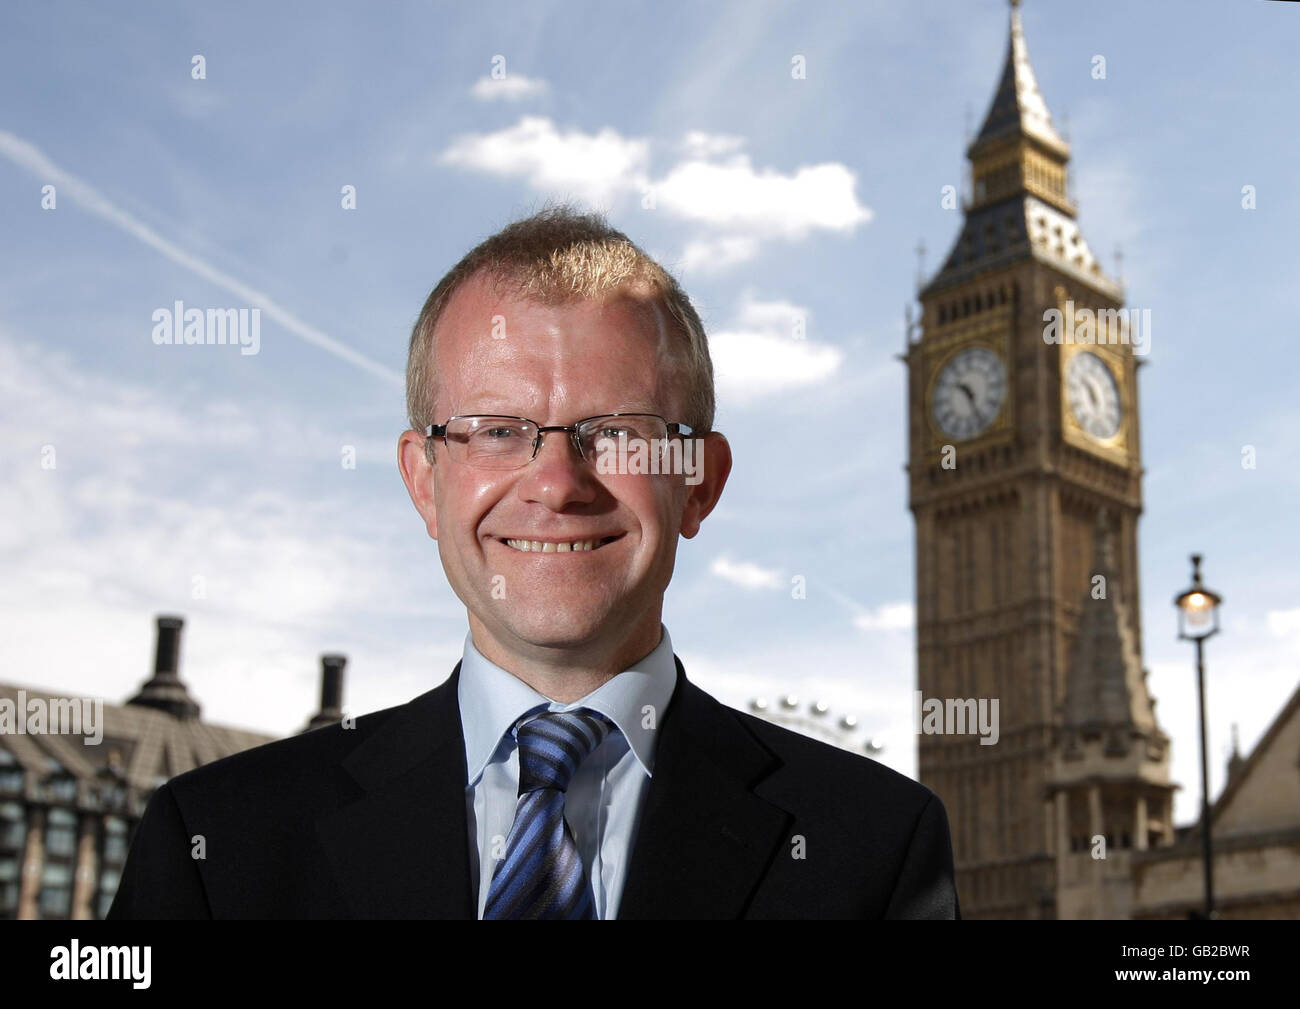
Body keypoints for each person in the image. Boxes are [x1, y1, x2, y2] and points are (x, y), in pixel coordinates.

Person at [108, 206, 960, 919]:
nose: (556, 483)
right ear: (423, 480)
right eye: (498, 430)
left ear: (699, 483)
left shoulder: (877, 850)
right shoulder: (214, 843)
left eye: (618, 431)